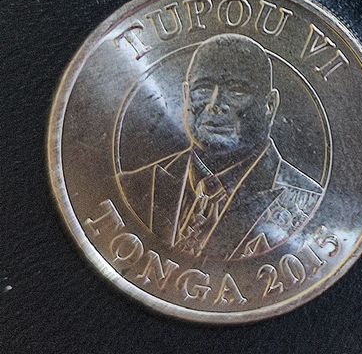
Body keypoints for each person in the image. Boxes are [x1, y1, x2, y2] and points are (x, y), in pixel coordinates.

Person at [119, 34, 322, 261]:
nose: (215, 105)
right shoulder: (134, 186)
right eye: (203, 89)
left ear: (269, 105)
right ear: (186, 97)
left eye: (237, 91)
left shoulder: (306, 205)